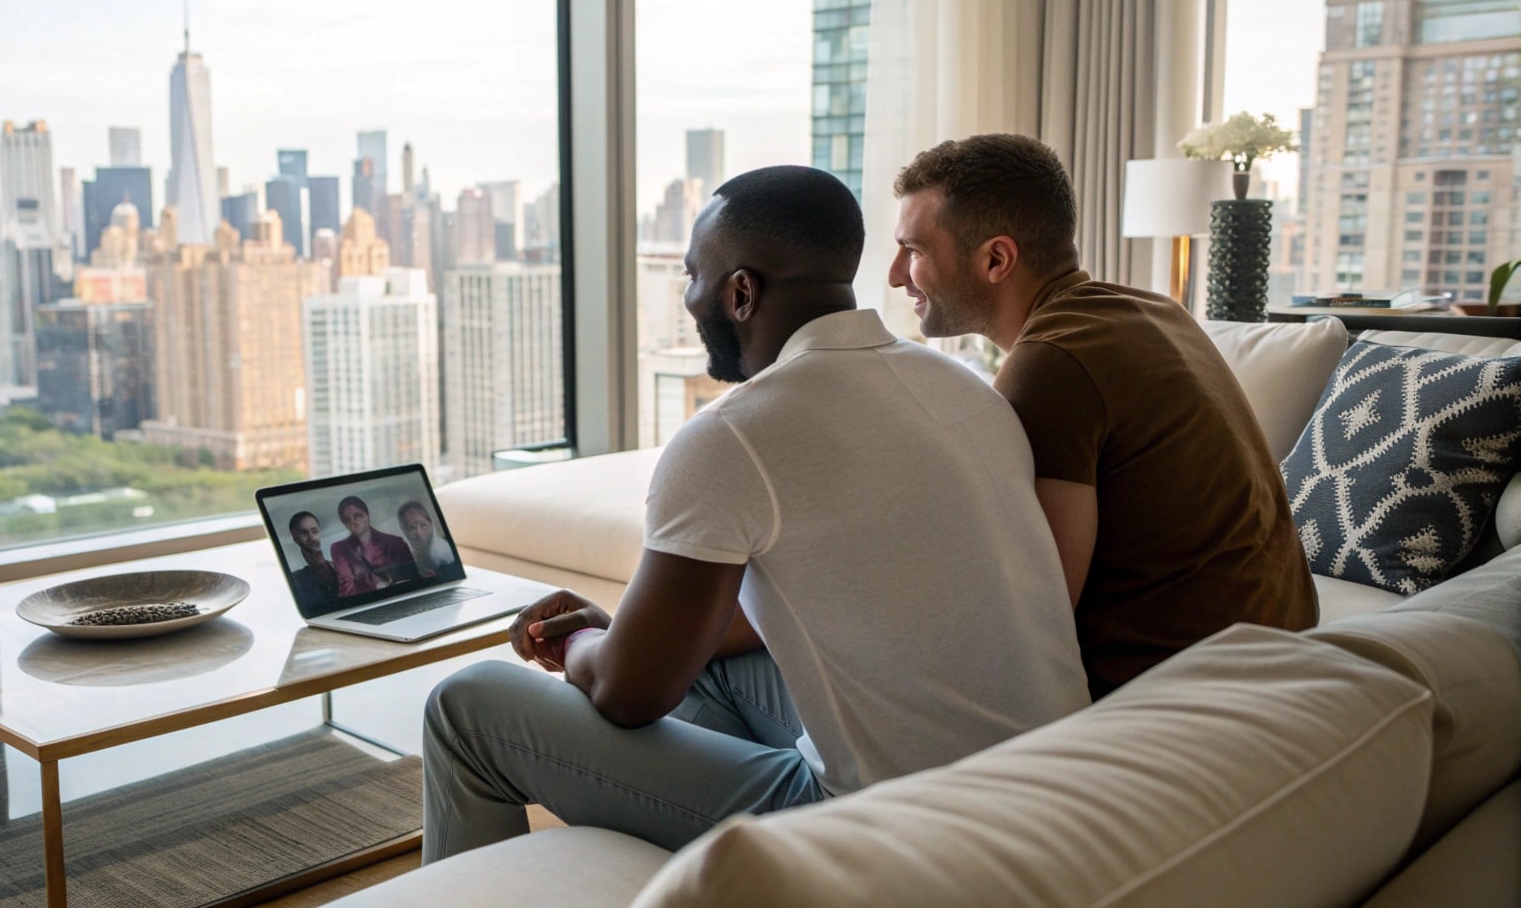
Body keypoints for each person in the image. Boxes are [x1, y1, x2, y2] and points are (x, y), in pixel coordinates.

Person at [421, 165, 1089, 864]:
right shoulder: (966, 388)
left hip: (896, 835)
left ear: (741, 292)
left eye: (692, 278)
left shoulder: (732, 434)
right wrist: (624, 635)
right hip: (1046, 796)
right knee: (702, 666)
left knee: (466, 704)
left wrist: (584, 649)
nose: (689, 299)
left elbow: (626, 695)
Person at [886, 133, 1318, 698]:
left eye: (914, 250)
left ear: (996, 259)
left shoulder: (1052, 364)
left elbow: (1035, 617)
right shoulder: (1155, 311)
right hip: (1283, 662)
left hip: (1176, 702)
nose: (896, 275)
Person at [329, 496, 416, 590]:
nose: (353, 522)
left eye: (357, 516)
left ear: (367, 515)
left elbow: (414, 579)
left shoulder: (395, 542)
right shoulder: (339, 549)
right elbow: (346, 589)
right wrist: (375, 586)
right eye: (347, 519)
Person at [285, 510, 355, 601]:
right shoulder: (296, 580)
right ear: (294, 537)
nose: (312, 537)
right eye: (304, 533)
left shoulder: (345, 568)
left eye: (314, 531)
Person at [398, 500, 456, 579]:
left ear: (430, 523)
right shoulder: (410, 556)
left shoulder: (442, 552)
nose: (418, 532)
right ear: (405, 532)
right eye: (412, 528)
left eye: (423, 525)